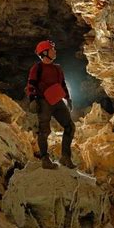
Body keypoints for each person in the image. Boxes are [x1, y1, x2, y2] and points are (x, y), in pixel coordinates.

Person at [26, 40, 76, 170]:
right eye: (52, 49)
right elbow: (31, 84)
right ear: (44, 53)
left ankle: (65, 157)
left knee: (70, 126)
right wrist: (32, 99)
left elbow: (62, 84)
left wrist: (68, 99)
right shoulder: (37, 68)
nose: (55, 51)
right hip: (43, 102)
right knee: (44, 131)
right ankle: (45, 159)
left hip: (57, 101)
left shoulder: (57, 68)